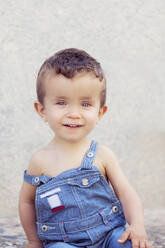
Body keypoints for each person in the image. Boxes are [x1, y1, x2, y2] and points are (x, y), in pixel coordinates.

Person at [19, 48, 152, 248]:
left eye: (86, 104)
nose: (74, 113)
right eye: (61, 103)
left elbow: (126, 193)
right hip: (63, 242)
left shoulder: (102, 155)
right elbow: (26, 202)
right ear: (42, 110)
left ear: (100, 112)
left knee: (127, 243)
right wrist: (33, 240)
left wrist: (138, 225)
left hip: (109, 234)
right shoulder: (40, 160)